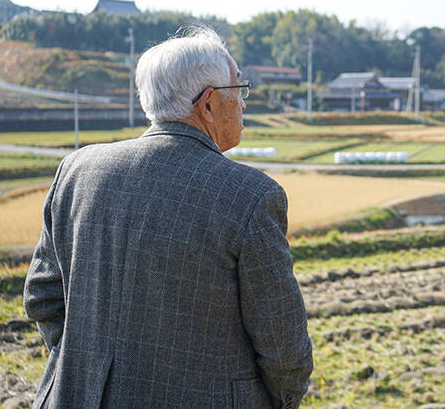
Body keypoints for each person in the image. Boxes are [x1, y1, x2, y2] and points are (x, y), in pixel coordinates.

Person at [23, 27, 313, 408]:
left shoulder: (77, 171)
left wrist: (82, 365)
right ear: (208, 104)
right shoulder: (250, 196)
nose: (244, 104)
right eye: (238, 91)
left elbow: (42, 296)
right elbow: (283, 346)